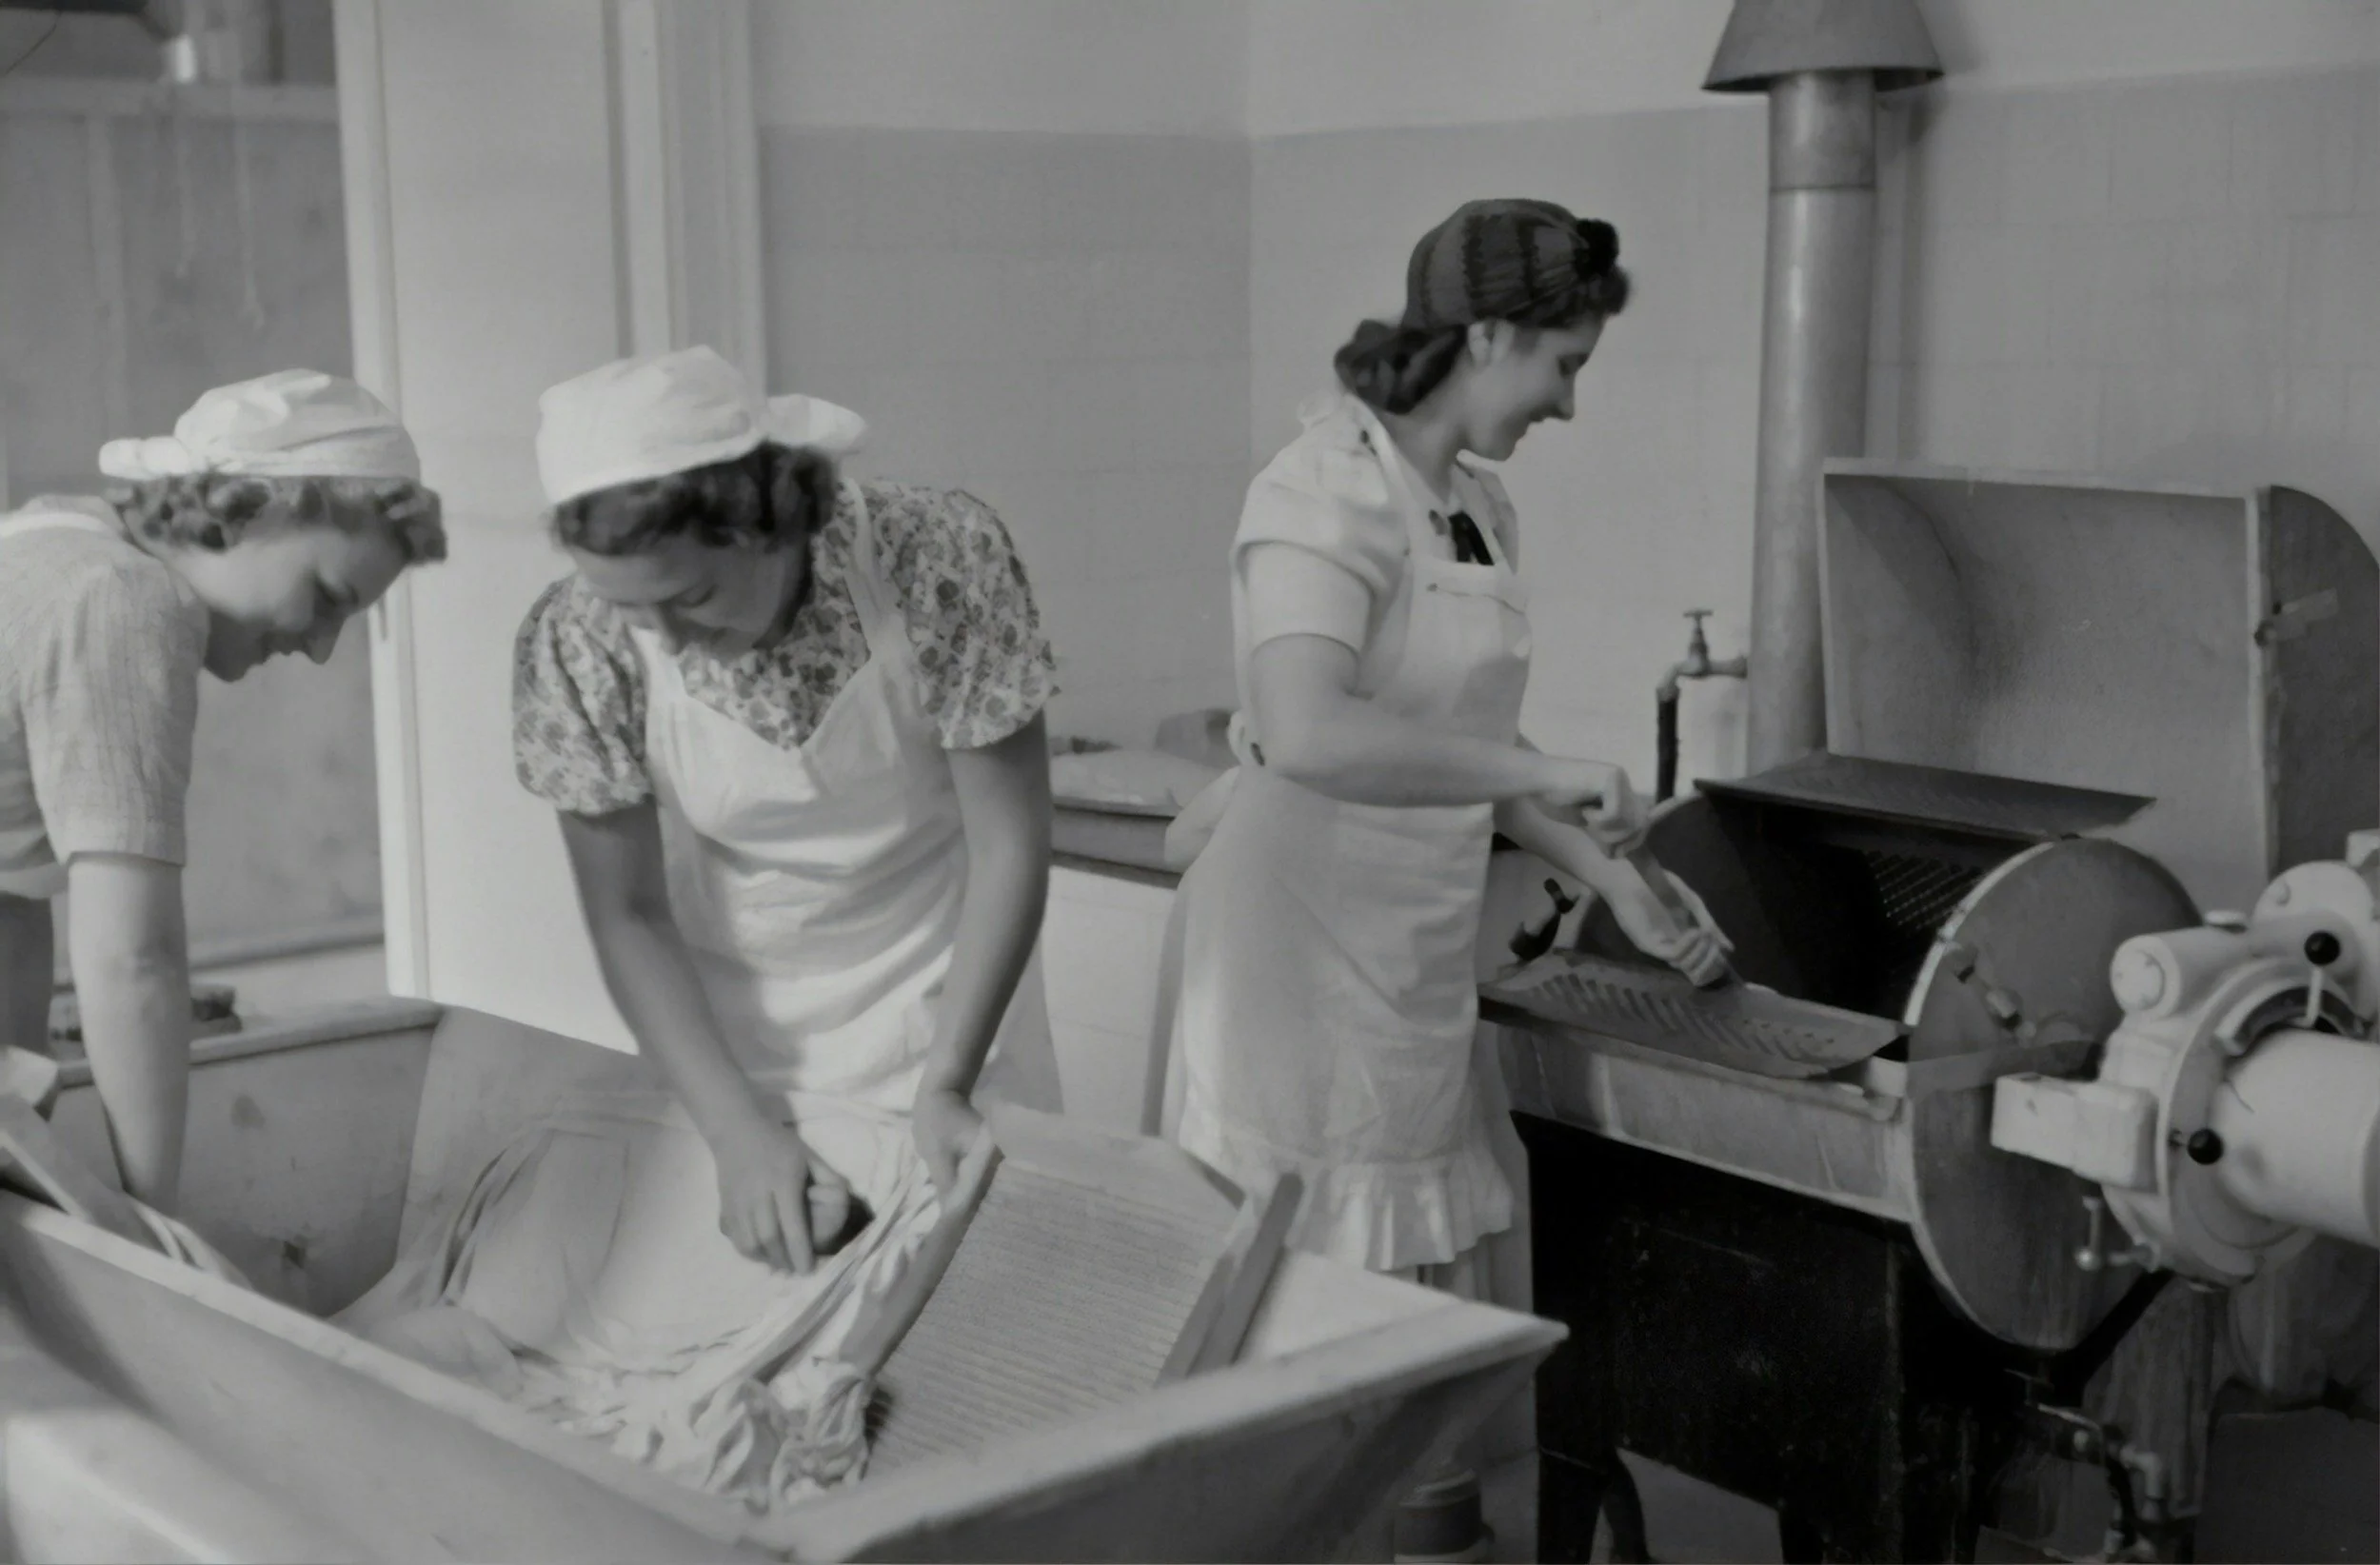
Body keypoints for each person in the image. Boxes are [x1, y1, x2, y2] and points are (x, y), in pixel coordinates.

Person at [340, 347, 1061, 1508]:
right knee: (743, 1394)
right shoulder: (579, 638)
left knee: (940, 1390)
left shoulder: (935, 557)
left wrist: (947, 1081)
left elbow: (1010, 846)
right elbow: (627, 912)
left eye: (689, 599)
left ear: (769, 522)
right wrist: (733, 1129)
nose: (662, 638)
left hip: (949, 985)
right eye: (632, 609)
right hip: (730, 1024)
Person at [1163, 200, 1732, 1555]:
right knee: (1302, 1342)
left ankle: (1420, 1542)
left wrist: (1615, 877)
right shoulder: (1318, 493)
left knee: (1403, 1341)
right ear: (1486, 337)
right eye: (1563, 365)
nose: (1568, 403)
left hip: (1408, 960)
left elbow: (1484, 753)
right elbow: (1307, 731)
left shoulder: (1475, 507)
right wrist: (1560, 773)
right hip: (1293, 963)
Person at [0, 369, 446, 1213]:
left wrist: (26, 1141)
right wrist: (151, 1220)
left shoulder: (48, 537)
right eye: (327, 599)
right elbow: (133, 958)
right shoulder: (127, 600)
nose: (320, 647)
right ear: (248, 512)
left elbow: (11, 897)